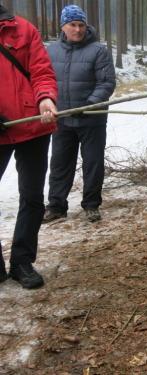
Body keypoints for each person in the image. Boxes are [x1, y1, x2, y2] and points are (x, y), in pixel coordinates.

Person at [0, 3, 58, 289]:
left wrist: (46, 97)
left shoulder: (23, 29)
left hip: (32, 125)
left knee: (32, 197)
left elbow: (41, 71)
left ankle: (22, 261)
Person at [43, 5, 116, 224]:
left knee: (93, 163)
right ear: (63, 26)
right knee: (59, 163)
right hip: (62, 118)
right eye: (72, 25)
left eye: (81, 25)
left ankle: (91, 205)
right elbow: (44, 81)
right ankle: (56, 206)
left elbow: (107, 83)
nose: (77, 29)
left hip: (91, 119)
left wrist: (90, 104)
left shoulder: (98, 50)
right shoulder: (51, 51)